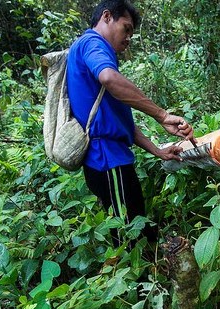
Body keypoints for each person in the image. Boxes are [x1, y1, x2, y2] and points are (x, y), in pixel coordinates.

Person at [67, 0, 194, 243]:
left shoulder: (91, 50)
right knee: (129, 235)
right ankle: (139, 278)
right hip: (107, 160)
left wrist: (157, 150)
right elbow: (108, 78)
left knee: (134, 223)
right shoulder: (93, 43)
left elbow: (117, 121)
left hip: (111, 158)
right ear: (106, 17)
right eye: (126, 28)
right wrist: (162, 115)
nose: (128, 38)